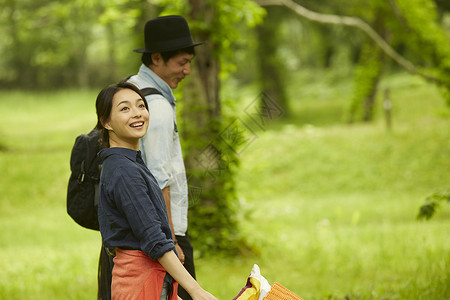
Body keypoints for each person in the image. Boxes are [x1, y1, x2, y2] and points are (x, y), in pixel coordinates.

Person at [95, 81, 216, 300]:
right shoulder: (123, 171)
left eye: (141, 105)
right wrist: (196, 291)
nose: (137, 114)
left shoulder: (129, 163)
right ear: (106, 122)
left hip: (152, 280)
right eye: (125, 108)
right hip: (141, 284)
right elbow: (154, 240)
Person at [127, 15, 203, 300]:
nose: (187, 70)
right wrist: (171, 241)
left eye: (190, 62)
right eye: (182, 62)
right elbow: (159, 177)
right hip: (162, 234)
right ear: (156, 58)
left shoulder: (129, 89)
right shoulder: (156, 105)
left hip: (132, 232)